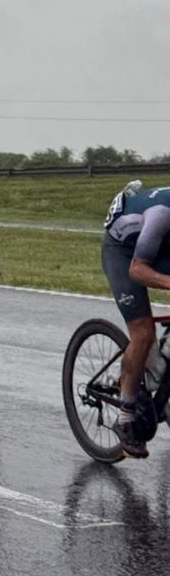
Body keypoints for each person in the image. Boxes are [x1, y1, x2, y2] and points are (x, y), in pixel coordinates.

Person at [102, 180, 170, 458]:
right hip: (124, 253)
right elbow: (138, 270)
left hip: (160, 245)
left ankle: (161, 374)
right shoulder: (162, 214)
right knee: (142, 333)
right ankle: (126, 415)